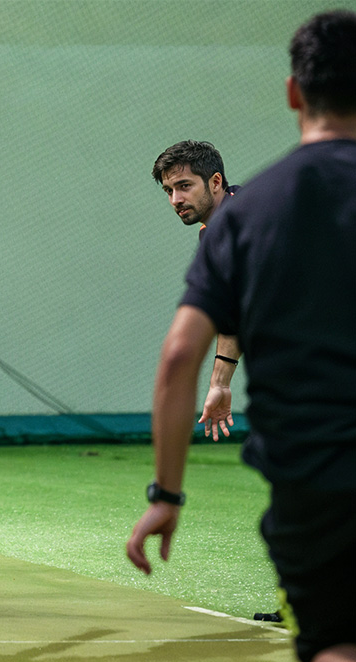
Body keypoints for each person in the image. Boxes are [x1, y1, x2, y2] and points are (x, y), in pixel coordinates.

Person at [128, 10, 356, 662]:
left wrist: (167, 494)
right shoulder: (229, 223)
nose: (175, 198)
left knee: (335, 642)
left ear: (294, 92)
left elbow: (178, 356)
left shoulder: (250, 216)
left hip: (314, 466)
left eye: (183, 186)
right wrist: (225, 377)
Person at [152, 140, 242, 441]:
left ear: (215, 182)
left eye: (184, 186)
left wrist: (220, 382)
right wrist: (220, 383)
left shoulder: (242, 221)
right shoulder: (213, 233)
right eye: (169, 190)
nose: (176, 199)